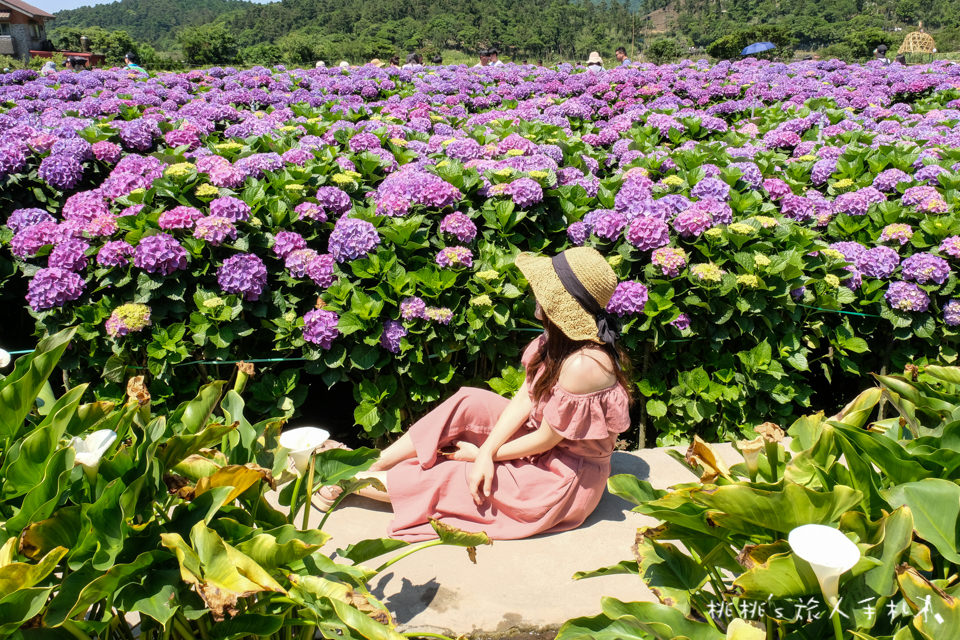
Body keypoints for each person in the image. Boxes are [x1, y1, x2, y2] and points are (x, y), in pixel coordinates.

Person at [316, 247, 632, 541]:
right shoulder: (559, 340)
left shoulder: (583, 365)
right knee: (470, 400)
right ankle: (375, 463)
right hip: (544, 441)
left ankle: (351, 481)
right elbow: (526, 396)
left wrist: (483, 456)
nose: (534, 294)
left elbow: (546, 441)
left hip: (561, 475)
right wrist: (487, 449)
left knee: (458, 476)